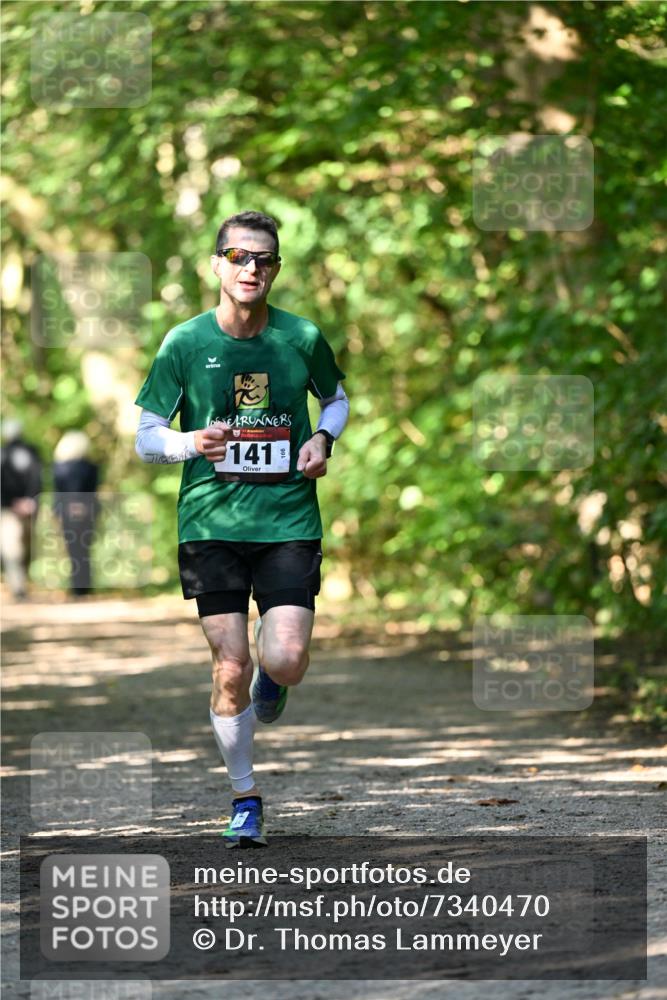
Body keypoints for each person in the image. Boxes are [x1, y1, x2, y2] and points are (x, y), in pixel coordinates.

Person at [135, 211, 349, 847]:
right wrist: (191, 442)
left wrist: (322, 438)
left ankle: (272, 681)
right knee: (230, 667)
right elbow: (146, 437)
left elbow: (336, 399)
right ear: (216, 265)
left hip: (287, 518)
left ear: (276, 269)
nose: (251, 268)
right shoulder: (183, 342)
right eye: (238, 256)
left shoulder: (301, 337)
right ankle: (245, 797)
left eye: (264, 259)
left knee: (285, 659)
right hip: (210, 522)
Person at [53, 430, 100, 596]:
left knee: (73, 548)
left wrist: (58, 511)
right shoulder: (91, 467)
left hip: (67, 511)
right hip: (88, 511)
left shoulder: (59, 467)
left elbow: (58, 493)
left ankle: (77, 587)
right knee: (84, 548)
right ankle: (84, 586)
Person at [0, 419, 42, 600]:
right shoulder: (30, 452)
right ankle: (18, 587)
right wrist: (26, 501)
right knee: (14, 548)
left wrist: (24, 501)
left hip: (17, 507)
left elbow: (36, 478)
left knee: (20, 548)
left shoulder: (29, 452)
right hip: (14, 509)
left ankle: (20, 585)